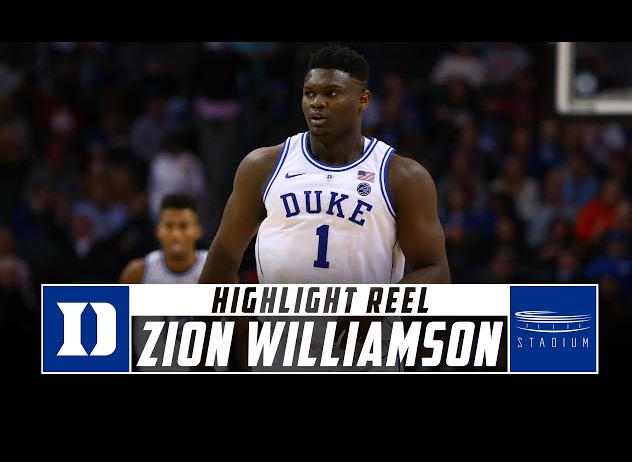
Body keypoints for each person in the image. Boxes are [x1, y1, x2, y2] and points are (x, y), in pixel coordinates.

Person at [197, 45, 451, 372]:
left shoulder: (401, 176)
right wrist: (214, 347)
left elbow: (436, 272)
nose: (317, 102)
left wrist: (376, 305)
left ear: (363, 100)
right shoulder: (263, 166)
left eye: (332, 93)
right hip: (281, 355)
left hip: (365, 354)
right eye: (309, 93)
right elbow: (221, 262)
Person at [119, 192, 207, 372]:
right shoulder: (137, 273)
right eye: (169, 226)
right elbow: (115, 334)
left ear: (197, 230)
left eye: (183, 226)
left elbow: (240, 332)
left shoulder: (215, 271)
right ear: (158, 229)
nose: (175, 234)